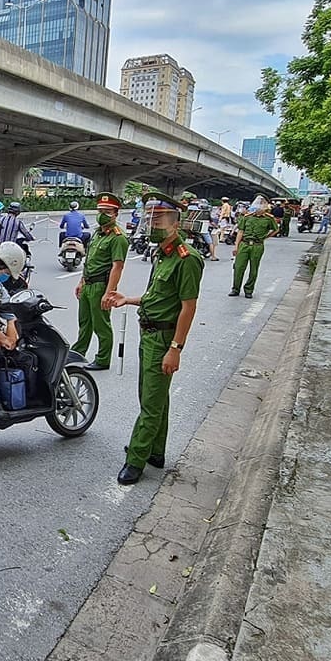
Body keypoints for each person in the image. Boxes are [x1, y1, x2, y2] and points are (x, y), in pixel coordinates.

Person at [104, 193, 203, 485]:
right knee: (155, 397)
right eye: (150, 217)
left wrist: (176, 348)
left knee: (150, 403)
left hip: (163, 338)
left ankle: (136, 459)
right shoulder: (163, 252)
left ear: (176, 222)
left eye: (158, 218)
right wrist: (129, 300)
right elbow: (158, 296)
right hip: (148, 333)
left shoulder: (187, 259)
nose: (152, 222)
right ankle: (156, 451)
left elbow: (188, 306)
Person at [72, 193, 128, 370]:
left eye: (107, 211)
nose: (102, 214)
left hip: (101, 286)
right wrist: (81, 281)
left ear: (116, 214)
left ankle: (103, 359)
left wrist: (109, 292)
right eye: (100, 210)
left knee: (101, 325)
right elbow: (89, 260)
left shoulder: (118, 238)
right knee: (84, 322)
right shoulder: (97, 233)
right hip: (88, 284)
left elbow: (117, 267)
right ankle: (78, 353)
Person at [230, 196, 279, 298]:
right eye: (257, 207)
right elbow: (240, 232)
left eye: (261, 207)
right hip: (244, 244)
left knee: (254, 269)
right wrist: (236, 246)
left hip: (257, 245)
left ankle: (249, 290)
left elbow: (275, 229)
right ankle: (235, 289)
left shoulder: (269, 219)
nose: (258, 209)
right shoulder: (247, 217)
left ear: (265, 208)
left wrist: (265, 237)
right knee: (238, 267)